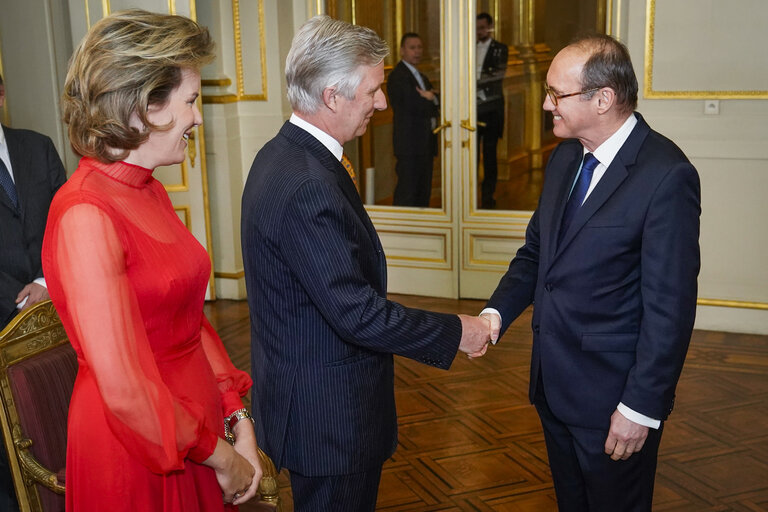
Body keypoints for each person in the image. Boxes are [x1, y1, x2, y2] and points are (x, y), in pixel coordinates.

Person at [241, 16, 491, 512]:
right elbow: (356, 313)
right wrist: (457, 332)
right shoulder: (308, 182)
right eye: (374, 90)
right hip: (330, 419)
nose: (382, 102)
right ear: (333, 96)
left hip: (307, 399)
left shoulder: (281, 155)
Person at [41, 10, 262, 511]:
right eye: (190, 101)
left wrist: (235, 417)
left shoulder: (150, 191)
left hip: (197, 433)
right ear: (144, 107)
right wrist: (222, 457)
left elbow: (190, 321)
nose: (198, 117)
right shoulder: (84, 212)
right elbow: (121, 389)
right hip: (137, 447)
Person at [481, 34, 700, 511]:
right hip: (553, 389)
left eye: (556, 95)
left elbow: (671, 308)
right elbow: (538, 255)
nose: (544, 105)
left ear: (603, 99)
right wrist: (494, 315)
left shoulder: (666, 175)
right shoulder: (565, 158)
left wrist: (640, 407)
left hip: (613, 402)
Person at [0, 72, 67, 329]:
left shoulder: (40, 147)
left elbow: (66, 221)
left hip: (58, 300)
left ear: (2, 96)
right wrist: (18, 300)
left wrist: (44, 282)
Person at [388, 32, 439, 207]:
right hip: (410, 145)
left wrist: (431, 98)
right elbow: (414, 106)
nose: (417, 52)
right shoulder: (398, 76)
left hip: (425, 144)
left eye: (419, 47)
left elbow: (436, 106)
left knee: (423, 192)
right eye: (412, 48)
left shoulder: (421, 76)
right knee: (407, 192)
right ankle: (402, 231)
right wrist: (430, 99)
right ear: (402, 50)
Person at [476, 12, 508, 209]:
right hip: (471, 109)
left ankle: (488, 196)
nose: (479, 31)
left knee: (489, 155)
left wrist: (473, 85)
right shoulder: (468, 47)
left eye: (482, 27)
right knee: (469, 155)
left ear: (490, 27)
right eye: (476, 27)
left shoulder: (500, 49)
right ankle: (469, 196)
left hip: (491, 109)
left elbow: (497, 76)